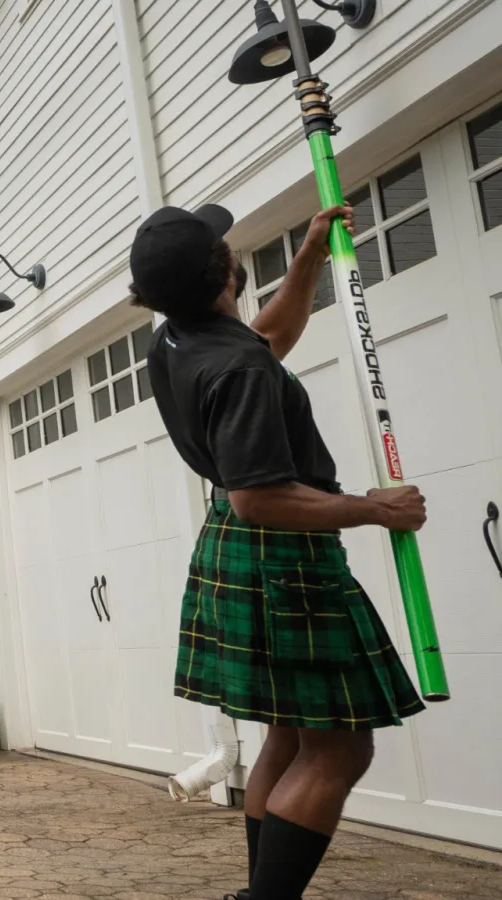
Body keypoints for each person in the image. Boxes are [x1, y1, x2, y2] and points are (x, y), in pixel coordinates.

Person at [132, 204, 428, 900]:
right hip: (281, 555)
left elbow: (266, 338)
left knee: (291, 740)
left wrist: (311, 257)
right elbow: (258, 497)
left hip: (241, 554)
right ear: (227, 273)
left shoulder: (178, 339)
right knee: (341, 746)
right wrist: (373, 509)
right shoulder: (237, 368)